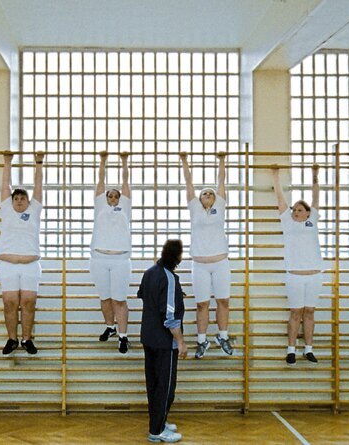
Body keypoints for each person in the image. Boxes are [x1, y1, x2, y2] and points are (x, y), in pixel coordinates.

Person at [179, 152, 234, 359]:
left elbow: (221, 180)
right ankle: (202, 340)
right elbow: (188, 182)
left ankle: (223, 336)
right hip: (200, 264)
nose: (208, 195)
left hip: (220, 263)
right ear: (199, 198)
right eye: (204, 193)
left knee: (223, 301)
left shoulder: (220, 206)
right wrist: (184, 161)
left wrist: (222, 161)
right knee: (202, 304)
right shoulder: (194, 208)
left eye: (211, 193)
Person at [272, 165, 322, 365]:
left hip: (314, 275)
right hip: (294, 275)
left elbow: (316, 197)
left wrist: (315, 175)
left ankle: (308, 349)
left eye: (300, 209)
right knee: (295, 313)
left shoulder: (313, 220)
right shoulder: (287, 222)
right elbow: (280, 198)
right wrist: (275, 176)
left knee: (309, 312)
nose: (295, 211)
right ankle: (291, 349)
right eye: (294, 209)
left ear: (308, 213)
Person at [138, 239, 186, 443]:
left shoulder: (150, 272)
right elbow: (170, 317)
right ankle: (156, 431)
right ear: (176, 257)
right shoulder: (169, 278)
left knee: (154, 385)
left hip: (148, 338)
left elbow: (143, 294)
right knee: (165, 388)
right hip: (164, 343)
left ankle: (159, 422)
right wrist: (181, 342)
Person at [0, 151, 44, 355]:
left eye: (22, 198)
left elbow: (38, 187)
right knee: (9, 303)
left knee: (28, 302)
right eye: (15, 198)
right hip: (8, 264)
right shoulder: (7, 209)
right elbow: (5, 185)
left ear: (28, 201)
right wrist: (7, 162)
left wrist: (39, 163)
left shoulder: (34, 210)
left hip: (30, 265)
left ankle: (27, 339)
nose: (18, 201)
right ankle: (12, 339)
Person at [91, 151, 132, 353]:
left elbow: (125, 182)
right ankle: (110, 327)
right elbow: (100, 181)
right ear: (105, 197)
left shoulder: (125, 206)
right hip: (99, 258)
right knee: (105, 298)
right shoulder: (100, 205)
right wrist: (103, 161)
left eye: (116, 195)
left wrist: (124, 162)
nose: (113, 197)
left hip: (120, 259)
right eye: (110, 195)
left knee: (119, 300)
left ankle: (123, 336)